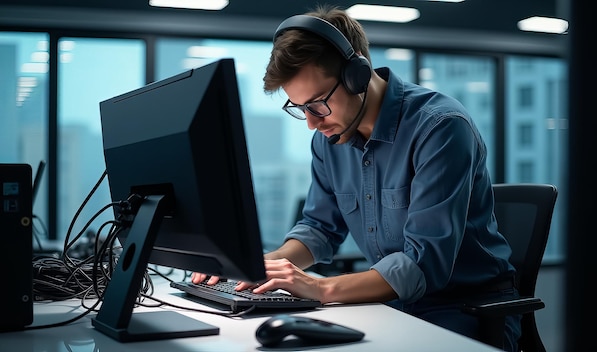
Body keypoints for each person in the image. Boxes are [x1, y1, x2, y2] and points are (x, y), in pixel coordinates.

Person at [193, 5, 521, 350]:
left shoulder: (440, 128)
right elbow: (319, 230)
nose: (312, 123)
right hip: (391, 306)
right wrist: (260, 267)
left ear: (357, 75)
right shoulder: (329, 140)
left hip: (465, 309)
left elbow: (425, 263)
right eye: (300, 108)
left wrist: (319, 288)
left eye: (318, 104)